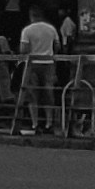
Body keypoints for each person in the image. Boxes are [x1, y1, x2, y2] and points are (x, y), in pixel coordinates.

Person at [15, 8, 62, 139]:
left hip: (32, 64)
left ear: (31, 16)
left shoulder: (27, 30)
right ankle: (49, 123)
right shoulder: (51, 29)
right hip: (48, 63)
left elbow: (23, 49)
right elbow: (57, 46)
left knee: (32, 95)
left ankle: (35, 124)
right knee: (48, 94)